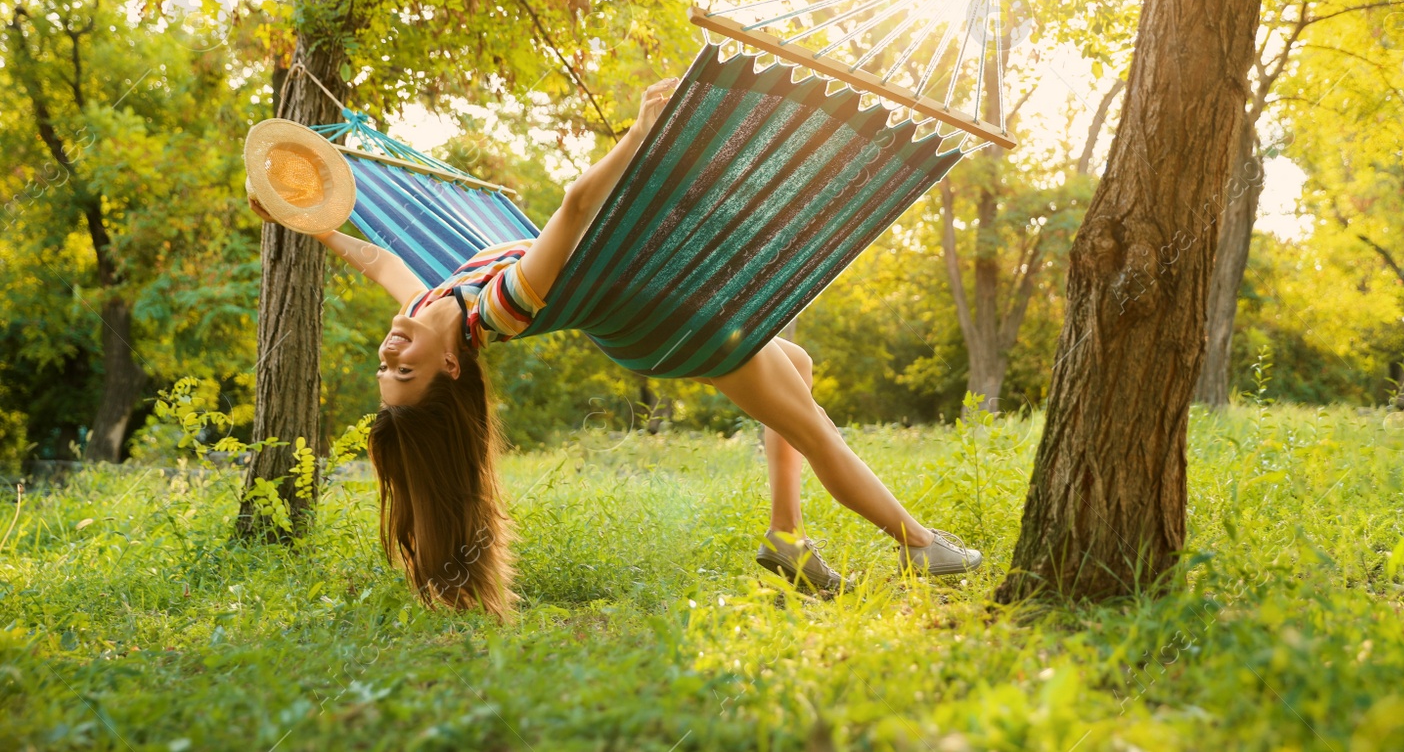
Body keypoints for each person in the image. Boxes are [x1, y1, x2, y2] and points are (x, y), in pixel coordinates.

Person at [251, 77, 980, 617]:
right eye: (402, 368)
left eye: (384, 363)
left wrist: (302, 216)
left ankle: (786, 538)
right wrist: (640, 136)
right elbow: (572, 209)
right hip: (674, 324)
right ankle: (914, 541)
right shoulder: (498, 309)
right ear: (448, 366)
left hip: (662, 315)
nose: (390, 348)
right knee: (813, 428)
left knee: (798, 369)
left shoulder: (425, 303)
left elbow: (377, 260)